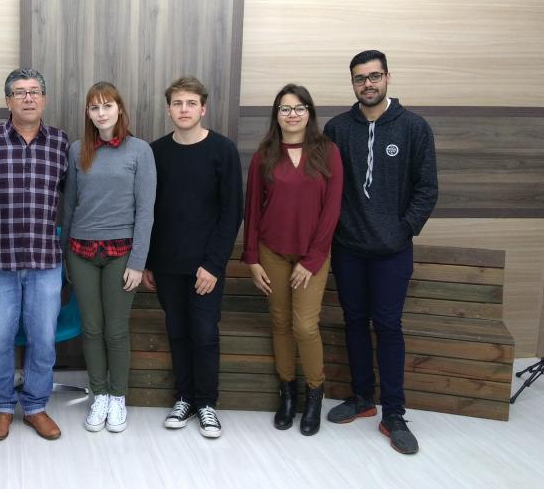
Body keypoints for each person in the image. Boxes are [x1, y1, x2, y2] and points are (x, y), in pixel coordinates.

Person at [323, 50, 438, 455]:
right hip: (349, 248)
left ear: (387, 77)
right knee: (353, 321)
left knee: (388, 326)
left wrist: (403, 230)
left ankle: (394, 411)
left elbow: (427, 189)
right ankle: (361, 398)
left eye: (374, 76)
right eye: (359, 78)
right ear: (352, 83)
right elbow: (325, 187)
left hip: (392, 250)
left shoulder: (413, 128)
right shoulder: (337, 129)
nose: (367, 84)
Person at [0, 67, 69, 441]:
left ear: (44, 99)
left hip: (45, 259)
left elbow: (71, 199)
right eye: (19, 92)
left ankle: (35, 405)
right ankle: (1, 406)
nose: (28, 98)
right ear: (8, 101)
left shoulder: (61, 143)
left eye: (34, 91)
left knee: (43, 338)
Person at [143, 76, 242, 438]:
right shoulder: (156, 152)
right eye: (177, 104)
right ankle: (184, 397)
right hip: (167, 264)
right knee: (177, 331)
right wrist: (150, 261)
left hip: (206, 267)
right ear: (169, 109)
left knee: (204, 333)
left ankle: (207, 403)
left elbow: (232, 212)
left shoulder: (223, 150)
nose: (184, 110)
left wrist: (214, 265)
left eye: (190, 103)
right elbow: (149, 210)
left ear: (203, 108)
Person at [242, 84, 342, 436]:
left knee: (304, 326)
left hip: (311, 256)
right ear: (277, 116)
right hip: (272, 253)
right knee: (281, 324)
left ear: (310, 113)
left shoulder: (327, 153)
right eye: (285, 109)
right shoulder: (264, 154)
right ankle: (288, 394)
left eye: (299, 108)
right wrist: (252, 259)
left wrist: (313, 259)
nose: (292, 114)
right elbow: (252, 209)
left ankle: (315, 392)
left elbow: (331, 211)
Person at [61, 81, 156, 433]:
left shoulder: (140, 151)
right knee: (90, 328)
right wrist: (63, 256)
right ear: (88, 113)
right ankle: (98, 394)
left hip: (122, 253)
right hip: (81, 251)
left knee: (115, 331)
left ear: (119, 109)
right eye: (94, 107)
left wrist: (138, 261)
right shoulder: (76, 150)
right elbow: (68, 206)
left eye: (107, 106)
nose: (101, 113)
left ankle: (118, 397)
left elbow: (146, 211)